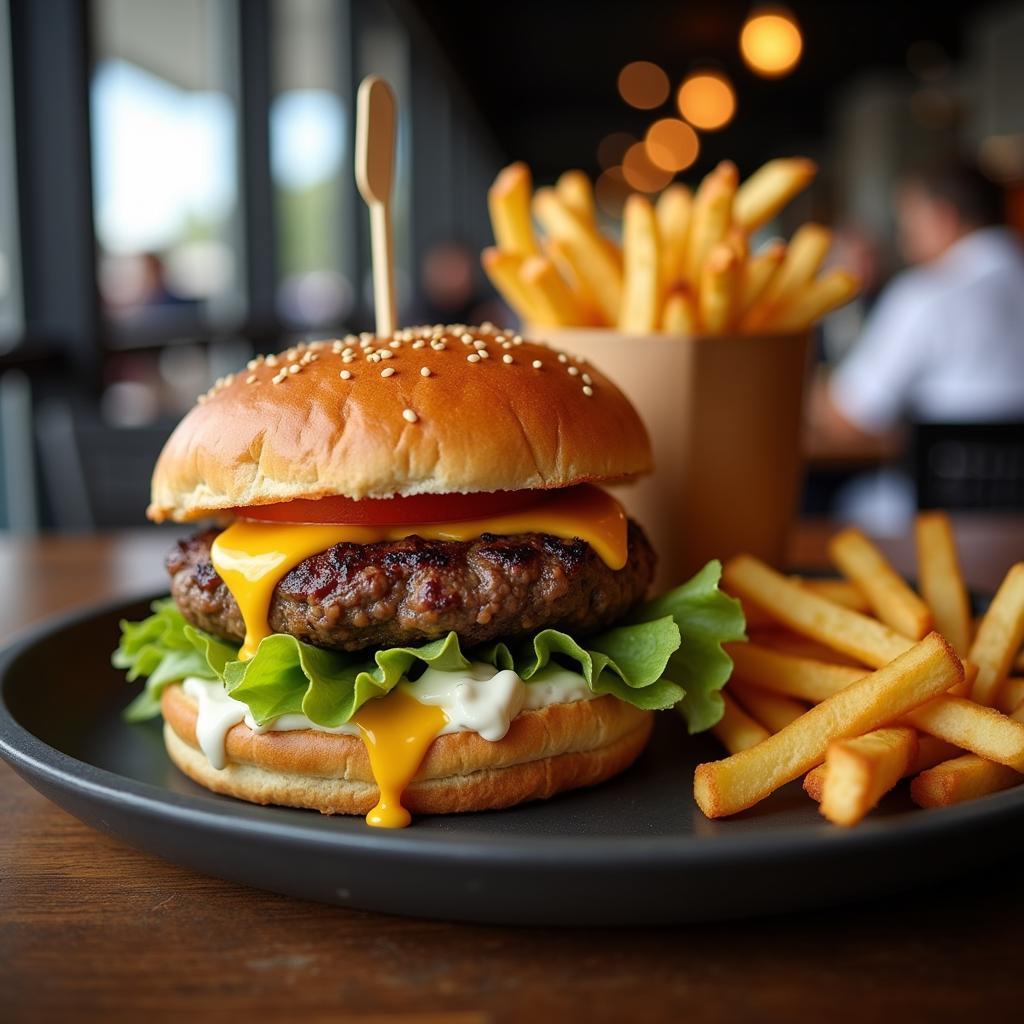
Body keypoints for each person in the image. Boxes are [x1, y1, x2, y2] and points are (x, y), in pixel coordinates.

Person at [813, 161, 1024, 445]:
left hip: (937, 487)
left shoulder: (928, 292)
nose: (904, 241)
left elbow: (850, 415)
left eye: (909, 223)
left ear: (944, 217)